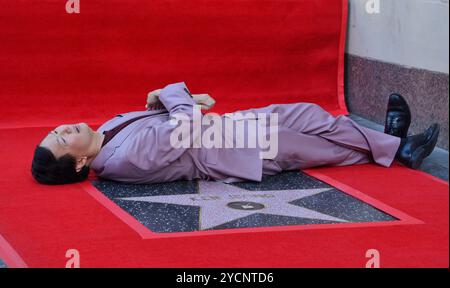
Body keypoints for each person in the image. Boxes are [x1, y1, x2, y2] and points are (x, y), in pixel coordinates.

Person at [31, 82, 440, 185]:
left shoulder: (105, 131)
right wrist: (170, 92)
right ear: (81, 162)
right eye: (62, 140)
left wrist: (163, 100)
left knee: (310, 114)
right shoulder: (120, 160)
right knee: (320, 147)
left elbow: (171, 116)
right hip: (231, 148)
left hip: (228, 125)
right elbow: (184, 125)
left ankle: (395, 145)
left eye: (56, 131)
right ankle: (396, 146)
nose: (64, 128)